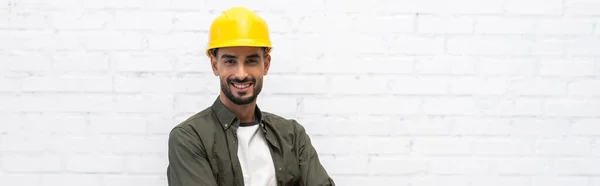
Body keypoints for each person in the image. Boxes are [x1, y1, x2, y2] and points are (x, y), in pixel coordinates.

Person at [166, 6, 335, 186]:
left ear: (266, 64)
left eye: (251, 61)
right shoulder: (190, 138)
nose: (241, 74)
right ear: (215, 65)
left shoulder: (292, 135)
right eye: (230, 61)